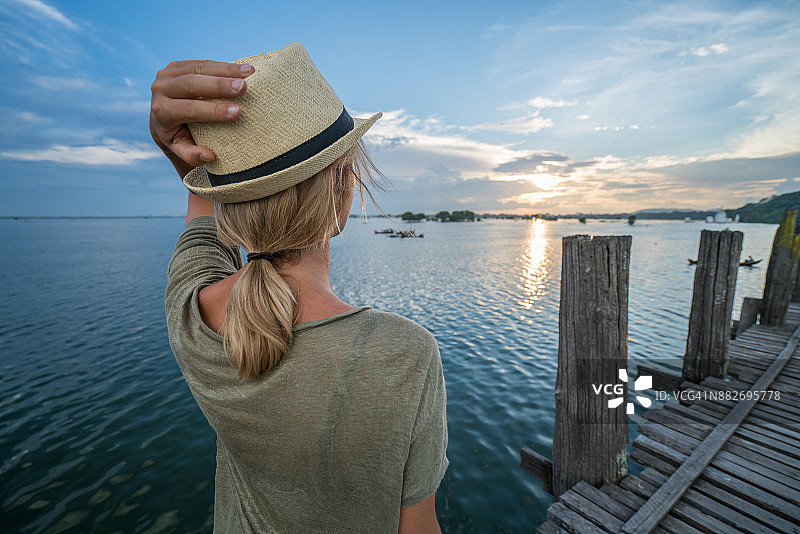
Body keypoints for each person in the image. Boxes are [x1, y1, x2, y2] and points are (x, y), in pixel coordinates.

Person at [151, 43, 448, 533]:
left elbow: (199, 234)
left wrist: (181, 155)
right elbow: (418, 526)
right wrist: (187, 158)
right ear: (343, 184)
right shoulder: (404, 355)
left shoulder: (193, 320)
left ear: (230, 196)